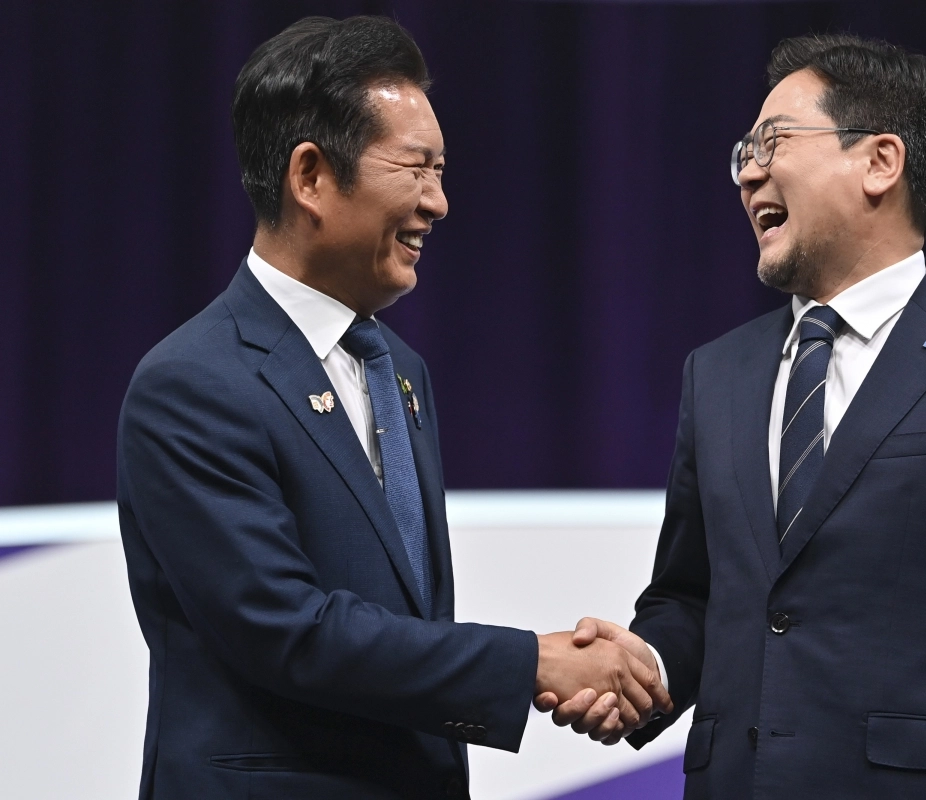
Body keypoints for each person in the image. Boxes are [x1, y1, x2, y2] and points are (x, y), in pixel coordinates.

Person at [553, 33, 926, 798]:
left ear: (880, 162)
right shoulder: (716, 373)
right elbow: (695, 596)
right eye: (744, 152)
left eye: (773, 142)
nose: (748, 171)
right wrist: (642, 668)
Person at [116, 16, 668, 800]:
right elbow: (287, 631)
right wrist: (531, 663)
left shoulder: (398, 370)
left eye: (441, 172)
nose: (438, 202)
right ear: (311, 177)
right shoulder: (192, 383)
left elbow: (407, 626)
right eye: (416, 169)